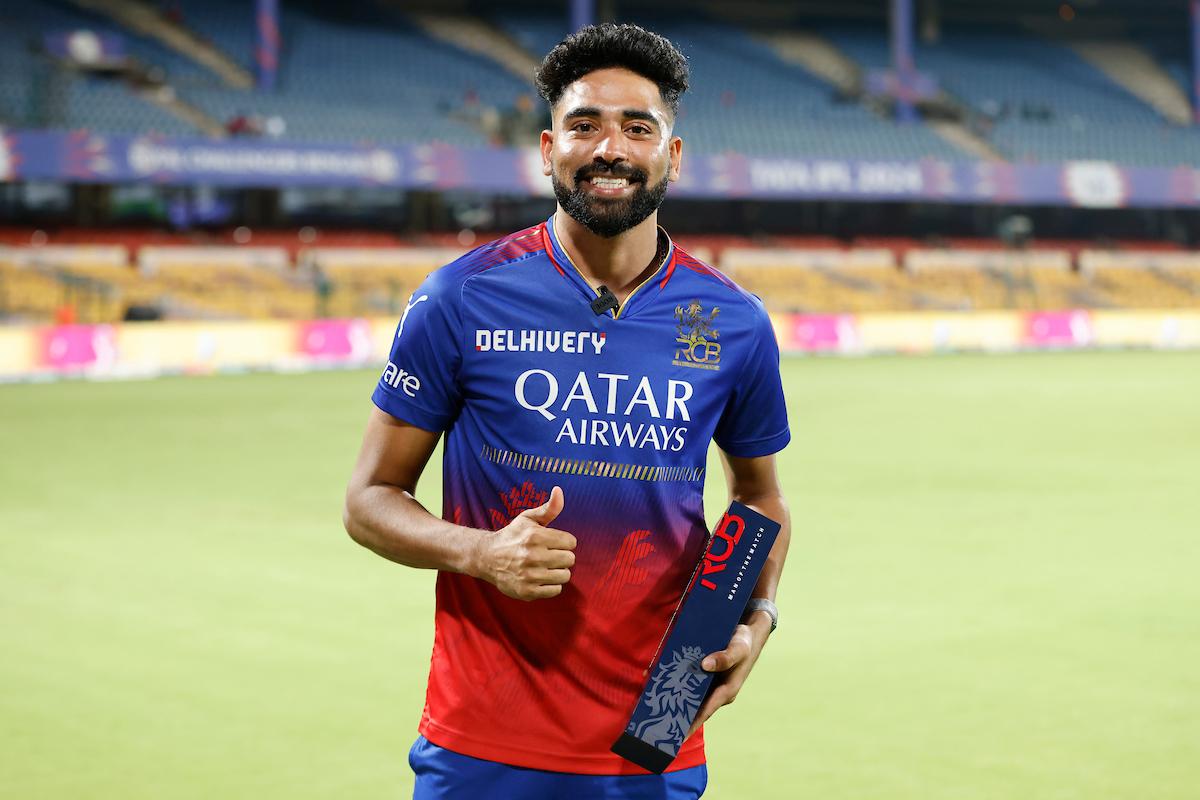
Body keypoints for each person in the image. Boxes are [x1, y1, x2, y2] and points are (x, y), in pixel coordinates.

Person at [343, 23, 791, 800]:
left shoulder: (735, 322)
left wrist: (758, 618)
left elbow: (760, 498)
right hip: (483, 744)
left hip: (654, 741)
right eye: (584, 125)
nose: (609, 147)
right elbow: (368, 500)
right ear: (549, 149)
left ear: (672, 157)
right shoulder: (461, 297)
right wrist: (479, 553)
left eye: (637, 128)